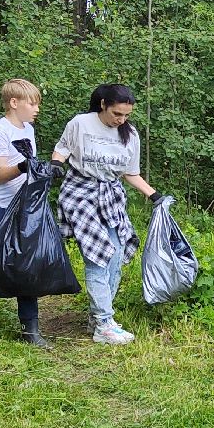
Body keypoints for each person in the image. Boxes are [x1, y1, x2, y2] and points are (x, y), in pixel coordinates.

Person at [52, 84, 163, 344]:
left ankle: (98, 317)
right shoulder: (81, 123)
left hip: (111, 196)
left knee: (115, 255)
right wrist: (56, 163)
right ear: (103, 104)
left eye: (126, 115)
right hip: (80, 193)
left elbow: (130, 173)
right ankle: (104, 323)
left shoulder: (130, 135)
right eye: (117, 114)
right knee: (98, 258)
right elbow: (62, 149)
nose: (121, 120)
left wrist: (154, 195)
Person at [0, 79, 50, 348]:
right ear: (14, 103)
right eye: (32, 103)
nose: (37, 109)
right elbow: (0, 174)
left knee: (26, 262)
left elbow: (29, 169)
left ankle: (30, 328)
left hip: (20, 205)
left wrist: (43, 172)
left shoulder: (28, 129)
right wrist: (25, 167)